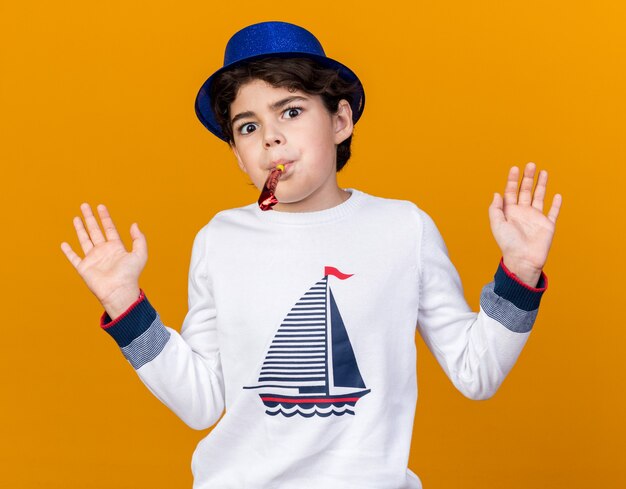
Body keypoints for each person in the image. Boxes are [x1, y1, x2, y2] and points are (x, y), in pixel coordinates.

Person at [60, 21, 562, 489]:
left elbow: (477, 373)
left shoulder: (402, 228)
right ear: (237, 153)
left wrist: (519, 273)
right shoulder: (220, 239)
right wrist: (126, 305)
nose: (271, 137)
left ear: (340, 120)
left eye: (292, 111)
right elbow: (200, 403)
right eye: (248, 127)